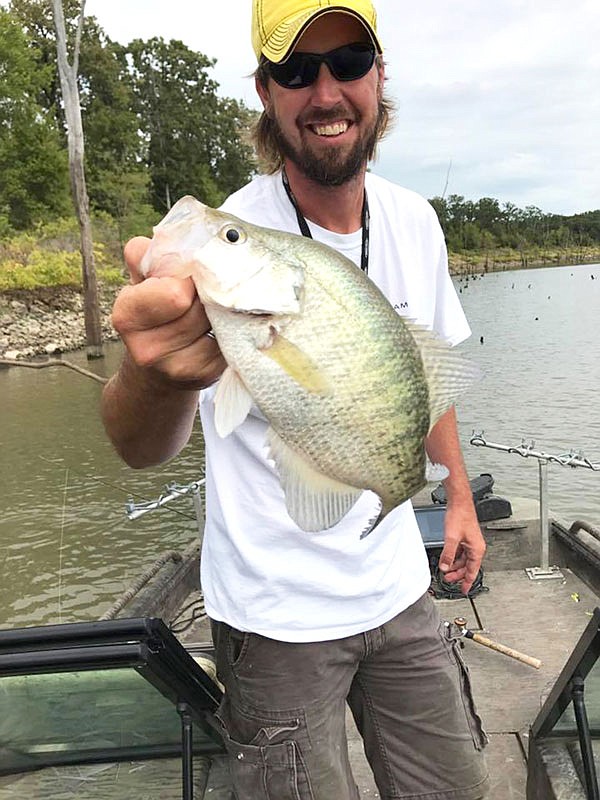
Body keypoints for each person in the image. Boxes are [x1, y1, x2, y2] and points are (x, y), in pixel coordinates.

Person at [101, 1, 489, 798]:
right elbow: (141, 447)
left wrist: (457, 496)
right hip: (273, 616)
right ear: (266, 93)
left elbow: (422, 380)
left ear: (380, 77)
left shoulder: (415, 220)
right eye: (295, 71)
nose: (325, 91)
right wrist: (154, 375)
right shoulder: (224, 241)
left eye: (347, 62)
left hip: (399, 586)